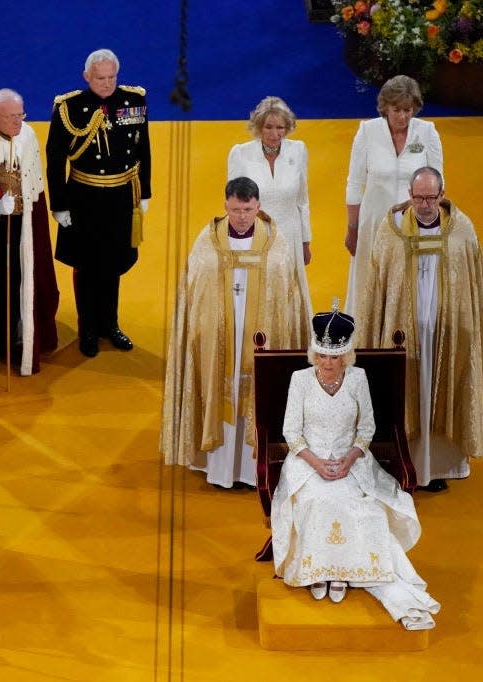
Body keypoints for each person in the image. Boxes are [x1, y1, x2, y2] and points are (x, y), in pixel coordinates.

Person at [271, 306, 440, 630]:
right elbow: (291, 432)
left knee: (361, 505)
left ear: (345, 356)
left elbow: (367, 428)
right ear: (314, 353)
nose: (327, 364)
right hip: (308, 461)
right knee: (316, 501)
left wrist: (348, 460)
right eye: (321, 356)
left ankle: (341, 572)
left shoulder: (358, 378)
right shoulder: (300, 380)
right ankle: (318, 571)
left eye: (334, 358)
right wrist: (319, 464)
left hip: (352, 461)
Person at [160, 177, 309, 489]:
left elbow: (288, 295)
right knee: (222, 391)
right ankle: (220, 470)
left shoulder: (275, 243)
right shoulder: (208, 241)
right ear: (225, 206)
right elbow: (195, 289)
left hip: (260, 339)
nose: (242, 217)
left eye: (248, 210)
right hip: (220, 340)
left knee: (256, 393)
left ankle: (254, 469)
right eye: (236, 210)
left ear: (258, 207)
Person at [358, 167, 483, 493]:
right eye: (417, 197)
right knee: (405, 391)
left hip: (448, 332)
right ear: (409, 195)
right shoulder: (392, 230)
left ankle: (439, 467)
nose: (424, 204)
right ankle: (402, 462)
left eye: (430, 197)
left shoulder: (461, 230)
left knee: (439, 389)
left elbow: (473, 284)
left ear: (442, 195)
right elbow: (377, 287)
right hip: (404, 332)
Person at [46, 48, 151, 358]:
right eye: (100, 78)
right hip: (85, 197)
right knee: (88, 266)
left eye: (112, 77)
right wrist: (59, 204)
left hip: (121, 197)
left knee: (114, 262)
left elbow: (143, 148)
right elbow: (55, 160)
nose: (107, 84)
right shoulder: (69, 108)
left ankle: (110, 324)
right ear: (86, 77)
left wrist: (144, 192)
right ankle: (88, 329)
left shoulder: (133, 101)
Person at [0, 88, 59, 375]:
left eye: (21, 115)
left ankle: (17, 341)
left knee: (20, 282)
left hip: (23, 227)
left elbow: (34, 184)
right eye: (11, 117)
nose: (18, 122)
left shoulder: (28, 136)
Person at [343, 75, 443, 318]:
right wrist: (352, 228)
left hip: (416, 224)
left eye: (408, 110)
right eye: (396, 109)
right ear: (384, 107)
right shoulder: (367, 131)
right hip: (374, 222)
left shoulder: (427, 132)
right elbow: (355, 184)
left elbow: (439, 181)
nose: (402, 116)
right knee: (370, 281)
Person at [228, 96, 311, 313]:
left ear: (288, 127)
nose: (275, 134)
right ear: (258, 127)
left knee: (289, 299)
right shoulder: (241, 154)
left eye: (280, 127)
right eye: (269, 127)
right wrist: (236, 242)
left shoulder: (298, 150)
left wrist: (305, 241)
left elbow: (302, 200)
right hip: (256, 237)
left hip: (291, 237)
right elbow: (233, 204)